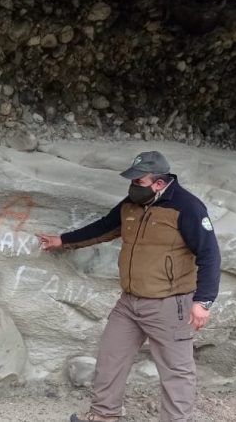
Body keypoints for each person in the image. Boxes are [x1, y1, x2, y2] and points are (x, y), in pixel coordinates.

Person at [36, 151, 221, 422]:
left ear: (159, 183)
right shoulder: (132, 205)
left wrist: (203, 301)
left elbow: (209, 255)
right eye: (132, 180)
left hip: (170, 304)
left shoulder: (188, 208)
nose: (133, 186)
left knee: (176, 371)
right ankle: (104, 415)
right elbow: (103, 227)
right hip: (129, 302)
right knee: (111, 357)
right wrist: (62, 240)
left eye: (139, 182)